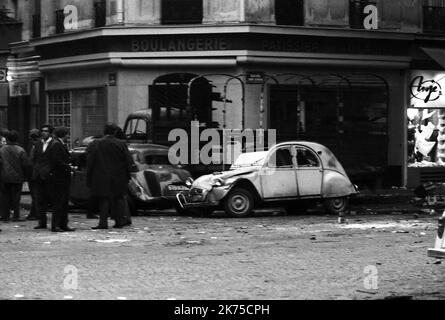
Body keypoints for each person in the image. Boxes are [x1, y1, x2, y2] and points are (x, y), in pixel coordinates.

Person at [87, 123, 133, 229]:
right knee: (119, 198)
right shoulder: (121, 144)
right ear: (115, 132)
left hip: (101, 175)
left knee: (103, 199)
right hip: (119, 176)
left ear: (104, 132)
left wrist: (90, 175)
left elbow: (91, 161)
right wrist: (127, 175)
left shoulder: (96, 143)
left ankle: (103, 223)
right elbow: (128, 160)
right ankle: (119, 221)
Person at [0, 131, 31, 222]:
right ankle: (16, 216)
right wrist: (26, 176)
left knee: (5, 197)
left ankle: (5, 216)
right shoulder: (20, 150)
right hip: (17, 177)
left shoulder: (2, 149)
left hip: (4, 176)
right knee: (16, 197)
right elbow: (26, 164)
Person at [49, 127, 75, 232]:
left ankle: (63, 224)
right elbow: (56, 161)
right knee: (59, 202)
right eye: (67, 135)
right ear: (63, 135)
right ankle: (56, 225)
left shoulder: (59, 144)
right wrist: (68, 167)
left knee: (64, 202)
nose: (68, 137)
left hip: (62, 177)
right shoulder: (56, 144)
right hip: (59, 178)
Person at [33, 124, 56, 230]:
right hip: (39, 175)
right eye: (42, 131)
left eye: (46, 131)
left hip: (50, 175)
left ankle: (55, 223)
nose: (43, 132)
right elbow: (35, 158)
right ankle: (42, 222)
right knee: (40, 200)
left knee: (52, 199)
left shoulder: (54, 144)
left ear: (50, 133)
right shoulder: (38, 143)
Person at [26, 129, 41, 221]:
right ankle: (35, 212)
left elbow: (30, 160)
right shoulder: (41, 144)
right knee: (37, 193)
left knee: (35, 193)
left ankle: (36, 213)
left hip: (33, 172)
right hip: (36, 172)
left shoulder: (33, 145)